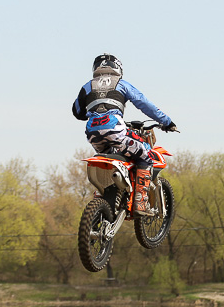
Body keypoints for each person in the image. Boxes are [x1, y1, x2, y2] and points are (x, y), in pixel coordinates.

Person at [71, 53, 178, 215]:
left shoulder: (87, 86)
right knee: (145, 155)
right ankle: (140, 201)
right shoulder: (121, 84)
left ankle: (106, 198)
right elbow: (144, 104)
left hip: (93, 133)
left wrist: (96, 110)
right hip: (115, 130)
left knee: (110, 161)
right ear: (117, 68)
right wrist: (167, 122)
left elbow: (78, 112)